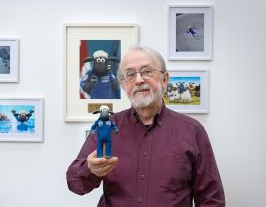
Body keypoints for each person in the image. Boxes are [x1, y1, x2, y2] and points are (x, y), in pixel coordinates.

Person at [66, 46, 225, 207]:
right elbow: (75, 184)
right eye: (130, 74)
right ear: (123, 84)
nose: (139, 80)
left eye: (147, 71)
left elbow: (211, 199)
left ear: (164, 79)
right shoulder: (106, 128)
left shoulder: (192, 131)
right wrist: (89, 169)